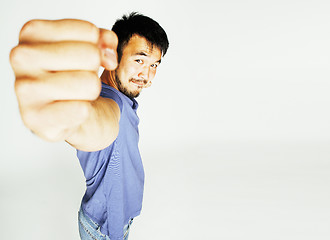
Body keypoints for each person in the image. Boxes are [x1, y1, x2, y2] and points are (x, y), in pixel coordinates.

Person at [10, 12, 169, 240]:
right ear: (114, 55)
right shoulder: (110, 101)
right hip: (105, 230)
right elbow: (99, 122)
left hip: (116, 222)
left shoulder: (124, 98)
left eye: (154, 64)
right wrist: (69, 120)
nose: (147, 75)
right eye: (139, 60)